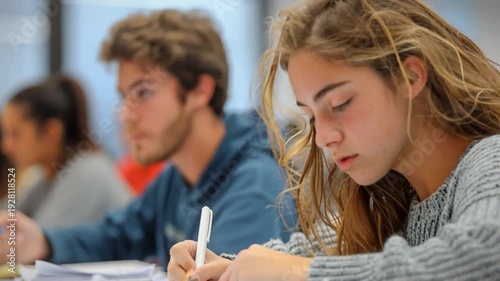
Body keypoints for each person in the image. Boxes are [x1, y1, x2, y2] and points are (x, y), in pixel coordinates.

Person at [167, 0, 500, 280]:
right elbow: (308, 251)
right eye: (311, 116)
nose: (323, 137)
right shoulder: (388, 195)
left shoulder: (491, 158)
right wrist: (222, 267)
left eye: (340, 104)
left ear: (410, 77)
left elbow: (484, 257)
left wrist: (301, 273)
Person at [0, 9, 296, 268]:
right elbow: (116, 236)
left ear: (199, 91)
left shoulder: (255, 190)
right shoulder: (178, 176)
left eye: (142, 93)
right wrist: (41, 242)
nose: (125, 114)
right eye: (123, 96)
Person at [1, 75, 130, 228]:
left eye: (16, 134)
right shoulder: (47, 176)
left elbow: (33, 245)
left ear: (51, 131)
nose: (5, 146)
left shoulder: (88, 173)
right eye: (5, 133)